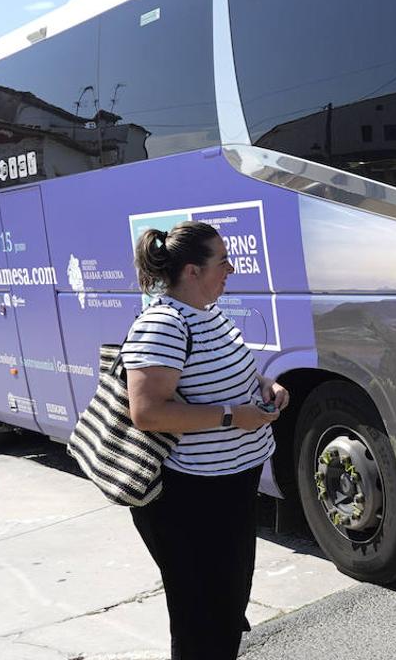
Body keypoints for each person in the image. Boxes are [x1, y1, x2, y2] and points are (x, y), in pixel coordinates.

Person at [123, 220, 289, 660]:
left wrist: (266, 386)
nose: (231, 268)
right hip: (193, 500)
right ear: (192, 271)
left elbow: (231, 374)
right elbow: (146, 412)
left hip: (229, 488)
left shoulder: (209, 313)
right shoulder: (165, 324)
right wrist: (236, 416)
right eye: (222, 261)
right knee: (202, 623)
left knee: (226, 609)